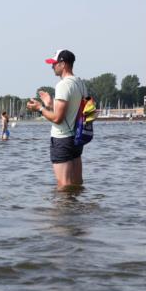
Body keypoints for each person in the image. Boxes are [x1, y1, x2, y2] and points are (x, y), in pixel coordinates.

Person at [26, 49, 88, 189]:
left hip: (62, 139)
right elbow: (71, 112)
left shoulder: (63, 85)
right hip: (77, 139)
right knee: (77, 183)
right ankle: (77, 209)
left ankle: (64, 211)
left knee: (63, 185)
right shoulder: (80, 83)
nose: (52, 66)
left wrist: (40, 109)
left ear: (63, 64)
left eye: (54, 63)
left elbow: (58, 119)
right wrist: (50, 104)